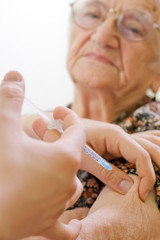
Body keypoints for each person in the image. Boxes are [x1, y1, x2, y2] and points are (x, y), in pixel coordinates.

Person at [22, 0, 160, 238]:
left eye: (135, 28)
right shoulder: (40, 123)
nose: (103, 35)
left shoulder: (151, 131)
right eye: (94, 15)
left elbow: (108, 231)